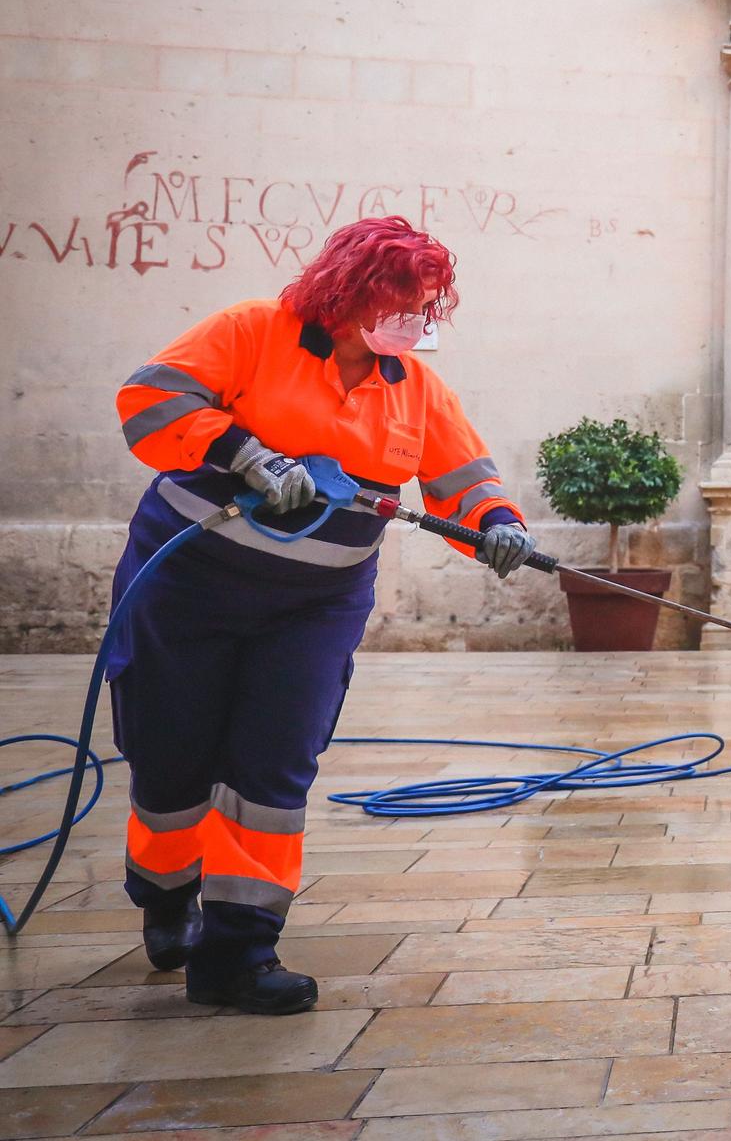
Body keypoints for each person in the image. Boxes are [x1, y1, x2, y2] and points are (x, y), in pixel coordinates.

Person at [108, 216, 535, 1014]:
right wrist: (244, 453)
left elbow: (461, 474)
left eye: (427, 304)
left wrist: (499, 525)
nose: (416, 317)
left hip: (313, 607)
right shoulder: (250, 332)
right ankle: (164, 892)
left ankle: (238, 954)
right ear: (351, 291)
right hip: (188, 590)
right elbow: (148, 398)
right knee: (171, 756)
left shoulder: (413, 385)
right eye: (404, 298)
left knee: (272, 767)